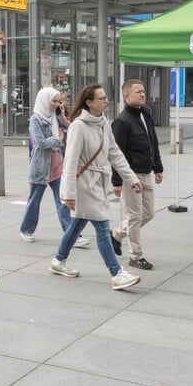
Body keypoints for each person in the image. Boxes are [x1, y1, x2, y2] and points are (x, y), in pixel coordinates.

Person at [51, 83, 142, 291]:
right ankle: (116, 273)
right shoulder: (78, 126)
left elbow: (115, 154)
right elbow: (71, 162)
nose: (105, 101)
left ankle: (58, 259)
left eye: (105, 98)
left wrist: (131, 178)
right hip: (83, 185)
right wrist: (68, 193)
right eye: (101, 98)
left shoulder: (103, 124)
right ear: (89, 102)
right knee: (102, 226)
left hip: (97, 183)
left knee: (77, 225)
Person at [19, 86, 88, 248]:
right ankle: (26, 230)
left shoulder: (55, 117)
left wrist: (63, 117)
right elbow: (40, 143)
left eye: (59, 102)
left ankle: (72, 235)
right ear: (45, 100)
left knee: (63, 200)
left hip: (58, 165)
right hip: (41, 167)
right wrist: (58, 140)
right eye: (54, 101)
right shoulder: (36, 119)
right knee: (34, 201)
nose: (56, 104)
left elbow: (71, 131)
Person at [110, 79, 164, 271]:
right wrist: (117, 180)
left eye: (143, 91)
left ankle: (116, 234)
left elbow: (153, 142)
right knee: (134, 216)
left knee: (148, 214)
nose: (142, 94)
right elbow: (116, 154)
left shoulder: (146, 114)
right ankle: (136, 255)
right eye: (137, 92)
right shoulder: (122, 121)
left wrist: (158, 167)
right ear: (126, 96)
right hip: (130, 176)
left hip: (147, 172)